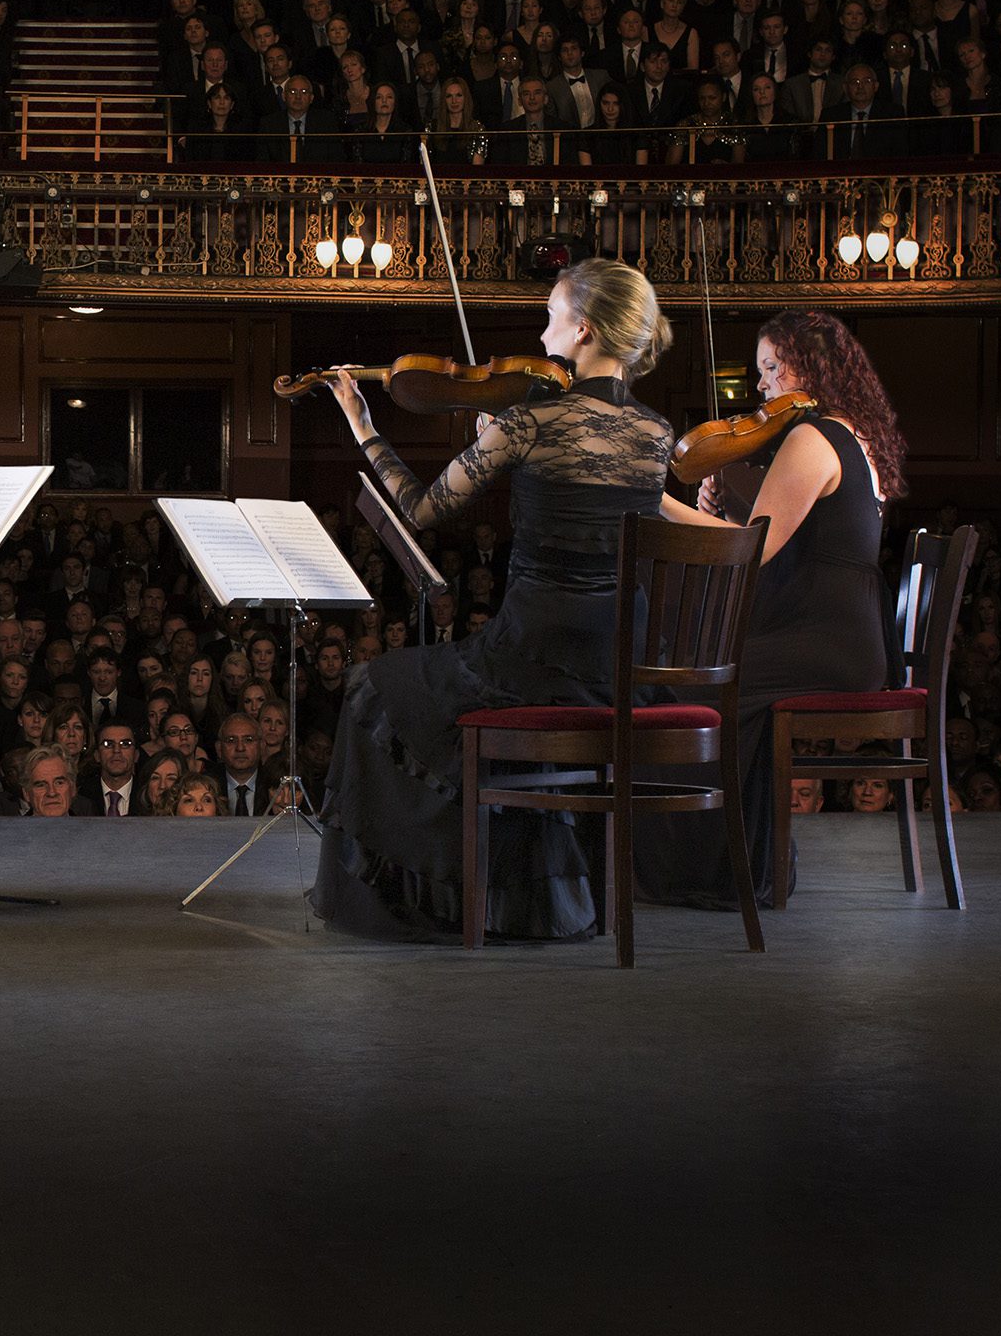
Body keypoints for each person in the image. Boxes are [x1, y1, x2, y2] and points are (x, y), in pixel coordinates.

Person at [311, 259, 680, 942]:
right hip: (615, 665)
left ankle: (442, 899)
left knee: (373, 684)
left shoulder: (528, 422)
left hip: (530, 658)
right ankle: (526, 896)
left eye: (550, 316)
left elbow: (422, 508)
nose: (542, 335)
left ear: (583, 329)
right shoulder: (657, 435)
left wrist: (364, 428)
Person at [637, 309, 903, 910]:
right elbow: (792, 539)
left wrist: (651, 498)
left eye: (771, 368)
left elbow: (748, 554)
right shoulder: (850, 434)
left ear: (809, 368)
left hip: (826, 642)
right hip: (846, 638)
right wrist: (728, 511)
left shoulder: (814, 438)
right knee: (704, 677)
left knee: (693, 688)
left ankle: (706, 870)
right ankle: (743, 863)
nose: (760, 385)